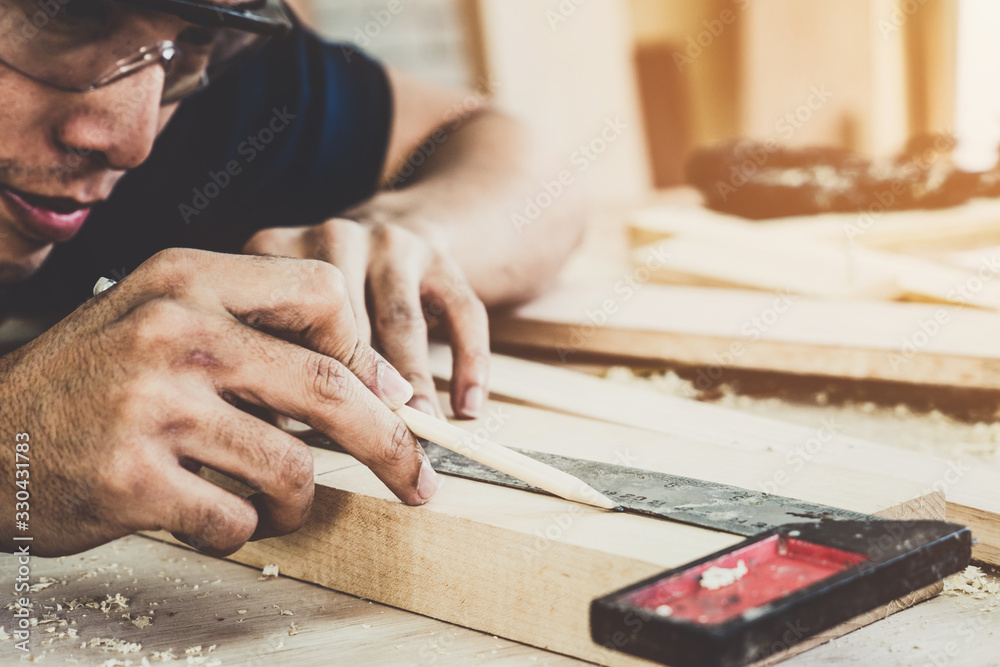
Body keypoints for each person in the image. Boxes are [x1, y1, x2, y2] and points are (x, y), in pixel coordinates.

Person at [0, 0, 582, 557]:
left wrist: (405, 233)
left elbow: (512, 152)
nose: (132, 141)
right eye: (69, 13)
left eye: (194, 39)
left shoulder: (231, 62)